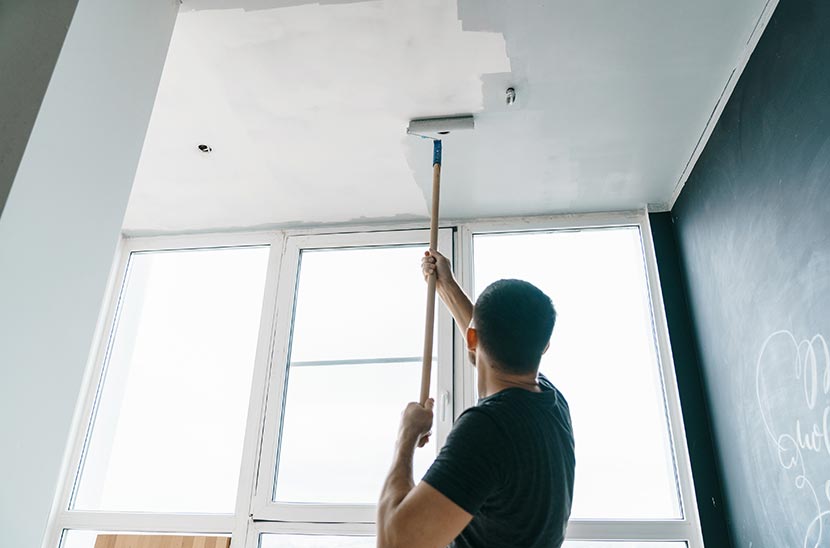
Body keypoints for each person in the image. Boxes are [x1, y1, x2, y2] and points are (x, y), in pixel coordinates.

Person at [376, 250, 575, 548]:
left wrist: (406, 435)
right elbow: (490, 346)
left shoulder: (489, 429)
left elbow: (395, 542)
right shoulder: (551, 402)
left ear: (472, 339)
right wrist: (446, 286)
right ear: (544, 346)